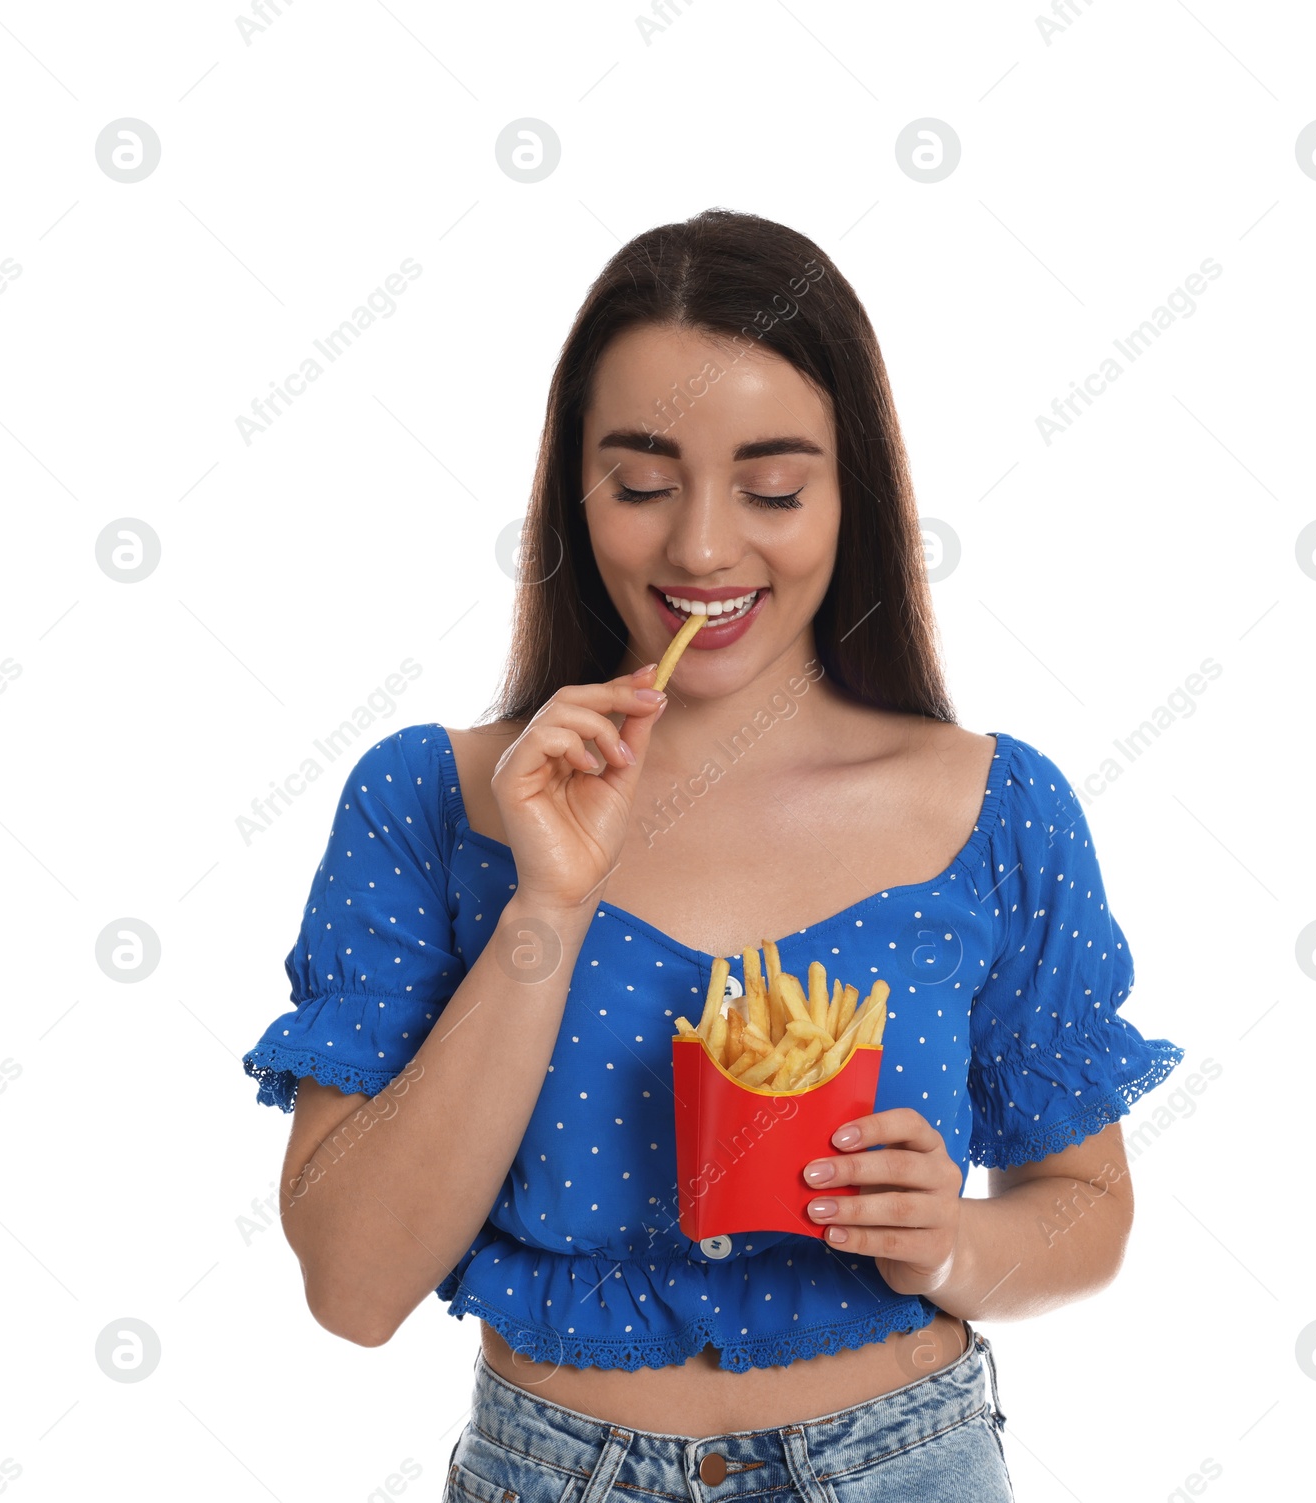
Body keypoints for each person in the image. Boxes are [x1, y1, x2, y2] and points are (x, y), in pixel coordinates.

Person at [242, 208, 1186, 1501]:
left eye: (774, 487)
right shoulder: (431, 801)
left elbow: (1085, 1205)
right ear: (575, 491)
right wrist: (550, 903)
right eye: (640, 483)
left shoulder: (997, 808)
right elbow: (352, 1288)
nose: (700, 548)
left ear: (852, 492)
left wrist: (952, 1238)